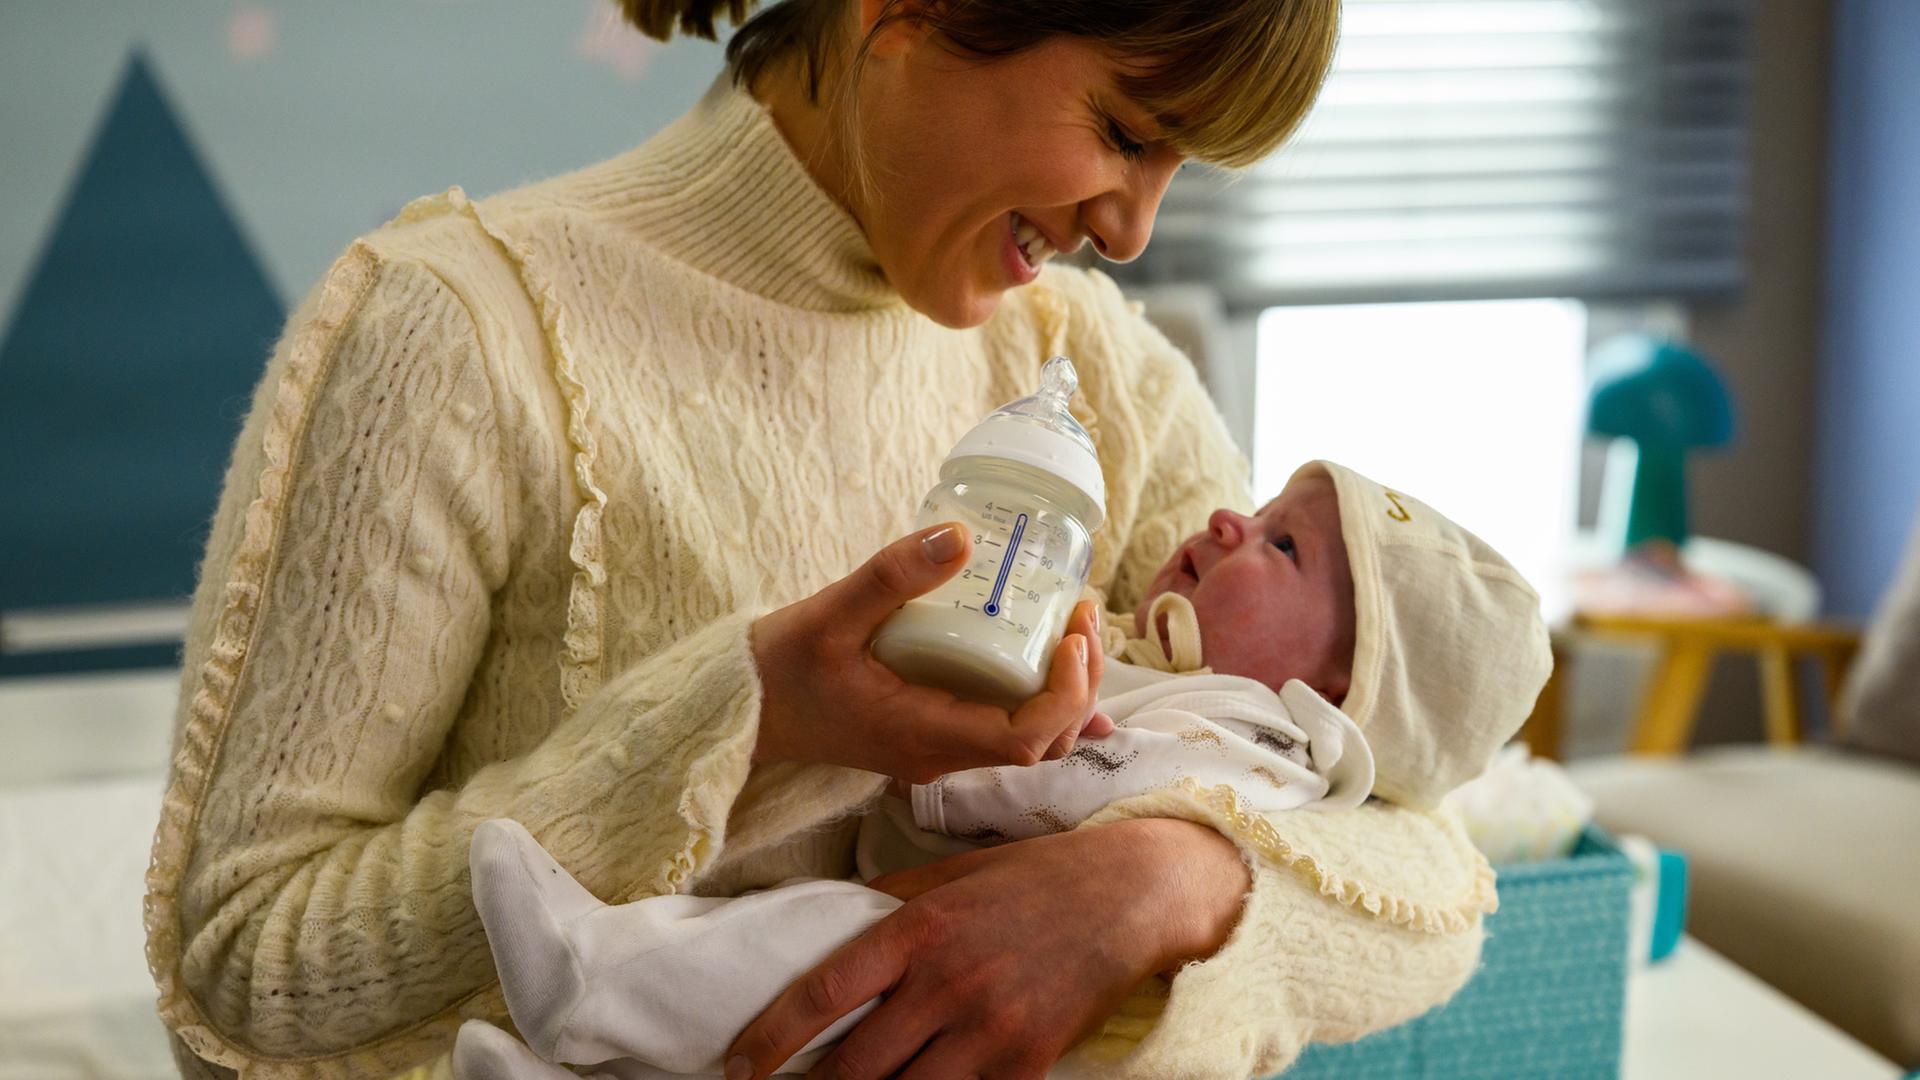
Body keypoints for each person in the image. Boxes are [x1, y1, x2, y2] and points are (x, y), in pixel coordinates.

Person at [138, 1, 1510, 1077]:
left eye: (1177, 167)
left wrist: (1162, 880)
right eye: (1126, 127)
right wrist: (747, 724)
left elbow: (1426, 851)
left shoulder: (1087, 368)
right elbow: (240, 971)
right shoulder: (453, 337)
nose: (1133, 230)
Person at [445, 459, 1552, 1079]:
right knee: (787, 996)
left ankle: (595, 980)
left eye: (1284, 545)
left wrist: (950, 768)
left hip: (997, 1005)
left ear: (1342, 698)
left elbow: (1087, 782)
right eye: (1264, 509)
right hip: (941, 957)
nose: (1226, 513)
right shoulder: (1166, 662)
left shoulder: (1252, 745)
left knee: (804, 950)